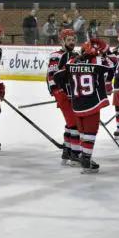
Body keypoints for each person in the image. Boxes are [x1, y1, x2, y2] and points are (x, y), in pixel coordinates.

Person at [54, 38, 114, 173]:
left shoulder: (72, 61)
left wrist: (66, 91)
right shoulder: (97, 61)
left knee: (82, 133)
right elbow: (111, 67)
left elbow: (58, 76)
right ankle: (86, 160)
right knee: (90, 133)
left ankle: (81, 155)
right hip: (92, 103)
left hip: (76, 103)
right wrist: (104, 51)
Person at [47, 29, 81, 164]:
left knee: (70, 124)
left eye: (73, 40)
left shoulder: (76, 55)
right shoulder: (56, 55)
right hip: (63, 95)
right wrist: (57, 92)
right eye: (68, 40)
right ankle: (75, 154)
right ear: (62, 41)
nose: (71, 42)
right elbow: (51, 75)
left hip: (73, 95)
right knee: (75, 125)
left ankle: (66, 152)